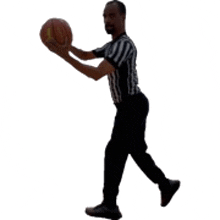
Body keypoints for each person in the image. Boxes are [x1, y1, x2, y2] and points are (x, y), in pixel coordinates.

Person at [46, 0, 180, 219]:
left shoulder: (124, 45)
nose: (107, 20)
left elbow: (96, 73)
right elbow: (86, 55)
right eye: (104, 16)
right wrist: (65, 46)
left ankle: (110, 204)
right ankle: (166, 184)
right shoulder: (111, 45)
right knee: (136, 151)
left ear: (122, 18)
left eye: (111, 16)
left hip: (132, 105)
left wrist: (63, 56)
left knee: (114, 152)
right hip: (130, 106)